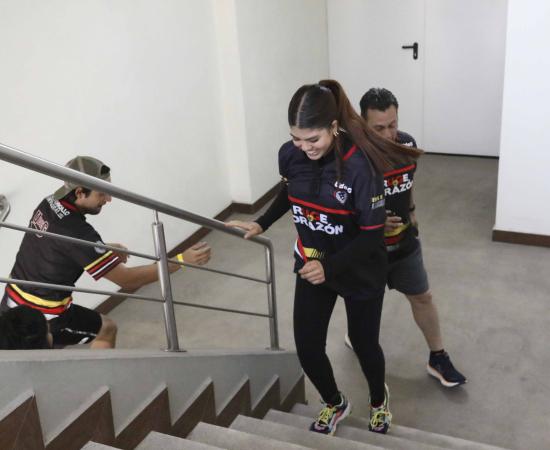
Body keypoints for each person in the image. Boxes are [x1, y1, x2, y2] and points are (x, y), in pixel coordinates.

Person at [227, 80, 420, 435]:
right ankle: (335, 402)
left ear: (333, 127)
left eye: (312, 139)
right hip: (313, 262)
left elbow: (371, 235)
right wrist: (261, 222)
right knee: (307, 346)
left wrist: (329, 267)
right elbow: (290, 190)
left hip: (360, 269)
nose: (304, 147)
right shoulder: (290, 155)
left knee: (364, 344)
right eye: (296, 138)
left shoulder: (361, 167)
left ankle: (378, 400)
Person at [1, 156, 211, 349]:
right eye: (102, 193)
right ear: (80, 192)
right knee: (107, 329)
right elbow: (128, 280)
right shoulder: (79, 233)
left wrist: (103, 250)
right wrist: (181, 260)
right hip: (45, 316)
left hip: (12, 303)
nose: (109, 199)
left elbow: (55, 244)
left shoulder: (49, 202)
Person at [350, 87, 467, 387]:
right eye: (379, 128)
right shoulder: (352, 156)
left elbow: (406, 181)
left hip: (404, 243)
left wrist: (411, 208)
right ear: (363, 123)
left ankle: (437, 358)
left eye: (393, 124)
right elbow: (340, 206)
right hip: (367, 250)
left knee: (422, 297)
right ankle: (357, 336)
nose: (389, 134)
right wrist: (371, 225)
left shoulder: (406, 144)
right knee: (365, 309)